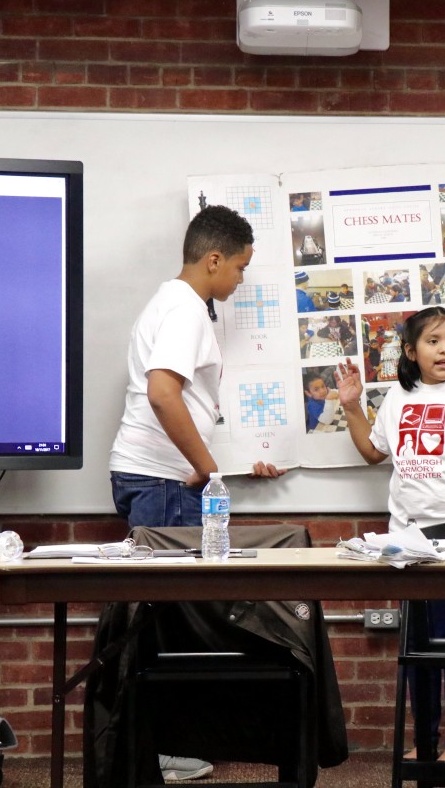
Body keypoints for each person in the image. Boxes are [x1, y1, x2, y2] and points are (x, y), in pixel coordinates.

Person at [108, 204, 283, 782]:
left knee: (167, 618)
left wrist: (219, 465)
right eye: (239, 267)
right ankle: (153, 753)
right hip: (159, 484)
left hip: (155, 477)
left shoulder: (171, 303)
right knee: (163, 622)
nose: (240, 279)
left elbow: (181, 404)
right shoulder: (186, 310)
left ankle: (155, 748)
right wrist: (210, 473)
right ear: (213, 260)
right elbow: (163, 395)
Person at [335, 306, 445, 764]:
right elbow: (373, 452)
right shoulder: (397, 396)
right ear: (411, 351)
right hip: (405, 542)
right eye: (433, 341)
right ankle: (425, 741)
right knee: (416, 647)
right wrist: (352, 406)